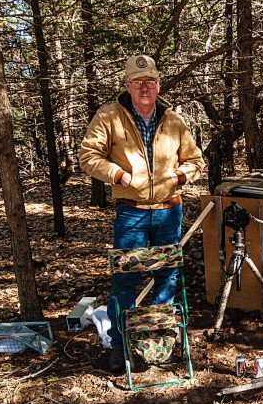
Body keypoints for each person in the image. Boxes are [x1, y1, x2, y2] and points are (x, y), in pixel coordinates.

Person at [79, 55, 205, 373]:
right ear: (127, 86)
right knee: (125, 281)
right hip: (131, 213)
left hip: (169, 211)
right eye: (138, 82)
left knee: (167, 277)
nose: (144, 87)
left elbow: (196, 161)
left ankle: (157, 344)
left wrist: (180, 177)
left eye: (150, 81)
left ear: (158, 85)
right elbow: (87, 156)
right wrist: (119, 175)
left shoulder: (173, 120)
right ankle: (120, 348)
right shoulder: (109, 116)